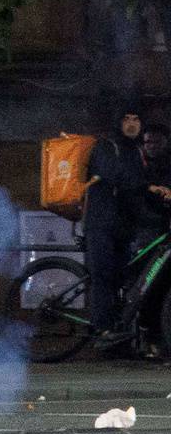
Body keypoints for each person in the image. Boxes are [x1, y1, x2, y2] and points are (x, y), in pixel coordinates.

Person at [83, 108, 145, 346]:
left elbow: (138, 187)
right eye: (127, 119)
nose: (131, 124)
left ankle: (117, 334)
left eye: (136, 119)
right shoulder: (106, 146)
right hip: (101, 223)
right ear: (118, 123)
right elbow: (115, 175)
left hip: (123, 226)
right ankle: (102, 330)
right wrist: (146, 187)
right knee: (103, 276)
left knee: (121, 277)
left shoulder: (136, 151)